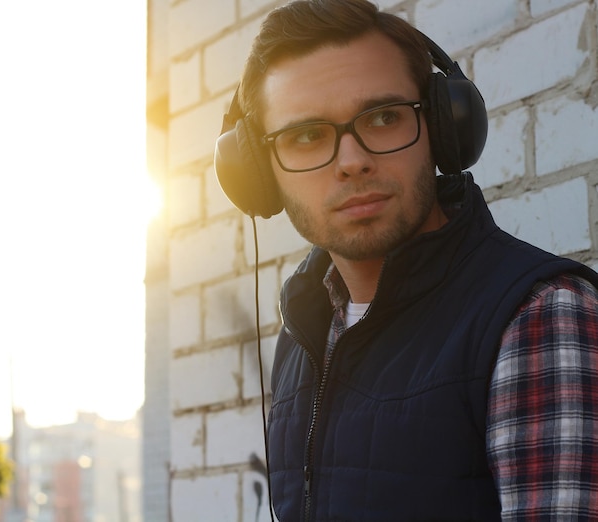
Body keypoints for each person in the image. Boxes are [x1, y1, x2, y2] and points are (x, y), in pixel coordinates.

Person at [214, 0, 598, 520]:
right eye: (306, 135)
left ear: (443, 129)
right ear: (258, 172)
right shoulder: (304, 328)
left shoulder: (539, 317)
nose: (352, 162)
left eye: (383, 117)